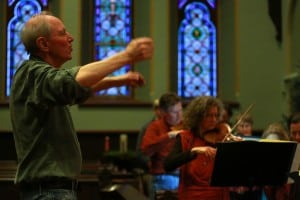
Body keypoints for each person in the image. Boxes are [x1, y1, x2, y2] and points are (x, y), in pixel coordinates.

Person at [9, 11, 154, 200]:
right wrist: (127, 56)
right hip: (49, 192)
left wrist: (118, 81)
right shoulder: (32, 73)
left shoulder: (42, 81)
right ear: (43, 44)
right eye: (62, 33)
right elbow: (71, 81)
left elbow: (74, 89)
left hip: (51, 191)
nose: (71, 38)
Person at [164, 95, 231, 200]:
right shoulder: (185, 137)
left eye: (216, 115)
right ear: (198, 117)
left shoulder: (221, 137)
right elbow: (168, 165)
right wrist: (193, 151)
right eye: (209, 115)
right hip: (192, 196)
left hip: (219, 196)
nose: (214, 120)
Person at [140, 92, 183, 198]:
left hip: (184, 175)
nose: (179, 115)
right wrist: (168, 136)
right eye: (174, 112)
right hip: (164, 176)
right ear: (163, 112)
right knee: (171, 182)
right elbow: (146, 150)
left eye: (181, 110)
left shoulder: (185, 125)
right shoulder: (154, 127)